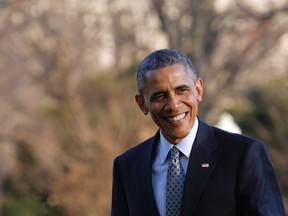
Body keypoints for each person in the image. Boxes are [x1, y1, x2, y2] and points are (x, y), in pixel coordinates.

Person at [111, 49, 286, 216]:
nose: (173, 105)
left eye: (182, 90)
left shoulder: (242, 155)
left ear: (199, 90)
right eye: (160, 96)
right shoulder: (127, 167)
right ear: (142, 104)